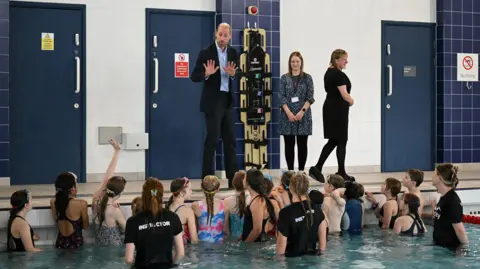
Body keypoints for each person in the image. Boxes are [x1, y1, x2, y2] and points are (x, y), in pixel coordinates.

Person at [191, 22, 241, 188]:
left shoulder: (233, 53)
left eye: (225, 35)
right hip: (212, 102)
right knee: (212, 140)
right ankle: (207, 181)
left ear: (230, 36)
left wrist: (234, 75)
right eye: (220, 35)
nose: (222, 38)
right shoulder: (206, 52)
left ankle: (233, 181)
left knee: (230, 141)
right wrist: (206, 73)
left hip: (227, 100)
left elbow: (240, 73)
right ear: (215, 34)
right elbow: (194, 76)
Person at [309, 49, 354, 183]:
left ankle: (318, 168)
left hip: (331, 109)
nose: (347, 61)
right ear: (336, 60)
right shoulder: (338, 75)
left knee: (334, 140)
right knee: (341, 140)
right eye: (344, 59)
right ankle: (341, 172)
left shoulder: (329, 72)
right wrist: (352, 101)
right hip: (337, 111)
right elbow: (344, 95)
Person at [124, 178, 184, 268]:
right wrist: (170, 265)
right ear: (161, 195)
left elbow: (129, 259)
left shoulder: (132, 222)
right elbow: (180, 253)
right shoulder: (173, 217)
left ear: (143, 196)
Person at [276, 173, 327, 257]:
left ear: (291, 188)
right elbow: (322, 244)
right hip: (312, 260)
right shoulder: (317, 209)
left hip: (292, 260)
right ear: (307, 188)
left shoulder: (286, 213)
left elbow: (281, 247)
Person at [279, 51, 315, 172]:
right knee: (289, 145)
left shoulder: (307, 78)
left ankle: (300, 171)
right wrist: (289, 113)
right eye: (293, 61)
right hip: (287, 116)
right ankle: (290, 172)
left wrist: (302, 111)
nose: (295, 64)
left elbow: (310, 97)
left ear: (301, 63)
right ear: (290, 63)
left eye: (297, 61)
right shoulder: (284, 78)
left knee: (302, 145)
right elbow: (281, 97)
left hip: (303, 116)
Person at [432, 163, 468, 250]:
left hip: (450, 250)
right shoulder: (444, 197)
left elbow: (459, 229)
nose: (432, 176)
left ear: (439, 177)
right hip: (441, 247)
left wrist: (464, 250)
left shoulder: (452, 201)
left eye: (434, 173)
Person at [50, 172, 89, 249]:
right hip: (75, 246)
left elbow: (56, 218)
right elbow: (85, 226)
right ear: (73, 189)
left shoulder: (53, 202)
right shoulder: (82, 204)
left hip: (60, 244)